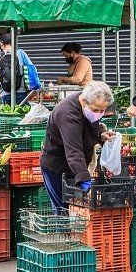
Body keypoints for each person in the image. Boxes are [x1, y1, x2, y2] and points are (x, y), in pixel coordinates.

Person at [40, 81, 116, 212]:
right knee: (63, 210)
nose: (99, 113)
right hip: (57, 168)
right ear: (84, 102)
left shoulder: (88, 107)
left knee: (75, 212)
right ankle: (63, 232)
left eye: (103, 110)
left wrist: (100, 135)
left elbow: (86, 129)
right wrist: (85, 180)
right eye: (96, 110)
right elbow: (74, 152)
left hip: (74, 166)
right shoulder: (68, 115)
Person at [0, 33, 38, 105]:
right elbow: (32, 70)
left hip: (5, 94)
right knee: (21, 114)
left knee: (6, 114)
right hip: (21, 93)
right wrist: (34, 88)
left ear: (1, 43)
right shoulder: (20, 53)